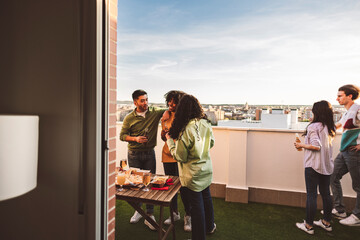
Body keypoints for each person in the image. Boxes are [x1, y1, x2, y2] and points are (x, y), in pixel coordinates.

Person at [166, 94, 216, 240]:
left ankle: (198, 237)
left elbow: (180, 156)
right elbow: (211, 143)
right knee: (206, 198)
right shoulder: (205, 123)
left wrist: (170, 142)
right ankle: (210, 226)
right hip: (206, 169)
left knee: (197, 205)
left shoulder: (185, 129)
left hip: (192, 174)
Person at [119, 89, 166, 230]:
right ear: (135, 102)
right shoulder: (129, 118)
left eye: (146, 99)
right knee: (136, 184)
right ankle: (138, 211)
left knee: (149, 183)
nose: (145, 103)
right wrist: (136, 139)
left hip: (149, 153)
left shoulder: (154, 112)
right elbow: (122, 136)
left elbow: (168, 111)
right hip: (134, 154)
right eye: (142, 100)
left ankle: (150, 214)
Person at [294, 100, 336, 234]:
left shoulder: (313, 127)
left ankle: (308, 226)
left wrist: (301, 145)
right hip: (327, 165)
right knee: (326, 194)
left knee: (311, 195)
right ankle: (326, 222)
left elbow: (316, 146)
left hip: (313, 165)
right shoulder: (330, 127)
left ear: (316, 112)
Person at [160, 90, 192, 231]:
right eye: (169, 101)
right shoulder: (165, 116)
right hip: (167, 155)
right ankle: (174, 213)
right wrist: (163, 134)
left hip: (180, 156)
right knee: (170, 186)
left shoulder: (185, 117)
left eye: (174, 101)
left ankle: (188, 216)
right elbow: (164, 137)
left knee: (184, 188)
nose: (171, 104)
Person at [330, 84, 360, 226]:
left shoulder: (358, 110)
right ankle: (340, 209)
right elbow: (337, 126)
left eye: (340, 95)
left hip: (355, 153)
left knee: (358, 186)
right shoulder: (347, 112)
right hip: (345, 152)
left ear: (350, 96)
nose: (337, 98)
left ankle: (357, 216)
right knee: (333, 176)